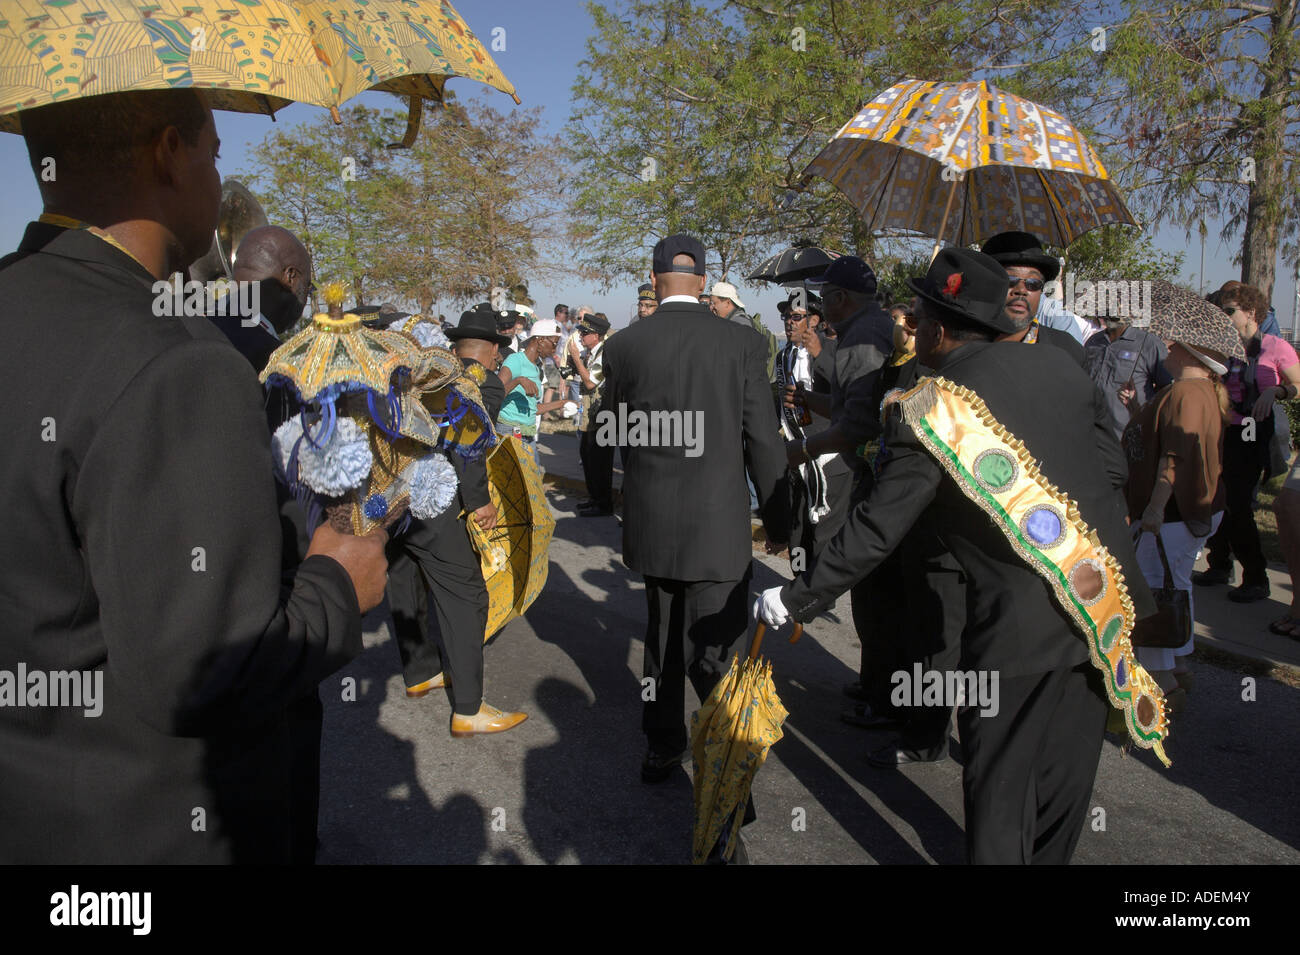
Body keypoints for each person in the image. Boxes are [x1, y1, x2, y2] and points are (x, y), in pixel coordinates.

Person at [0, 89, 388, 864]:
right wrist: (337, 584)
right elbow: (208, 667)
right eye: (214, 151)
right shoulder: (178, 362)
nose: (219, 177)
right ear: (169, 153)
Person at [755, 248, 1154, 863]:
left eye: (915, 316)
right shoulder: (1062, 367)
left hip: (1017, 624)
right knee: (1064, 783)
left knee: (1000, 788)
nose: (909, 326)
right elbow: (1112, 466)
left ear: (938, 329)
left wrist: (795, 595)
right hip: (1103, 604)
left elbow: (875, 530)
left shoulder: (931, 406)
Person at [601, 234, 787, 861]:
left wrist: (612, 494)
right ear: (704, 280)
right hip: (718, 524)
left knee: (660, 639)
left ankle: (661, 743)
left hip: (654, 521)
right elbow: (763, 439)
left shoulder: (625, 345)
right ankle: (727, 763)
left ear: (654, 279)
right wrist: (782, 517)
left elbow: (607, 431)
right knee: (718, 648)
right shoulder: (742, 342)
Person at [387, 308, 527, 736]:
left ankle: (420, 673)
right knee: (466, 595)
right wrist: (480, 501)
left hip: (396, 498)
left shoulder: (417, 375)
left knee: (404, 576)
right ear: (493, 351)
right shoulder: (479, 382)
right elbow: (469, 445)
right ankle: (468, 708)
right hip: (438, 500)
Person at [1124, 334, 1230, 709]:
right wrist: (1140, 406)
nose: (1167, 348)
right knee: (1175, 586)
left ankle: (1163, 682)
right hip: (1185, 512)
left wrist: (1154, 507)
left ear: (1193, 353)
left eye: (1176, 344)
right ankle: (1179, 665)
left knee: (1153, 590)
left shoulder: (1187, 391)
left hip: (1172, 513)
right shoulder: (1192, 390)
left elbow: (1176, 454)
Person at [1195, 282, 1300, 601]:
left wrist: (1276, 391)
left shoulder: (1275, 347)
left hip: (1252, 430)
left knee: (1239, 502)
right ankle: (1220, 563)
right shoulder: (1223, 346)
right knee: (1215, 497)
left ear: (1251, 312)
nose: (1224, 317)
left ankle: (1255, 577)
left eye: (1229, 311)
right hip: (1222, 428)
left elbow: (1297, 384)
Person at [981, 231, 1085, 359]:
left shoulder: (1067, 350)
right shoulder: (960, 347)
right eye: (1010, 280)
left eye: (1033, 283)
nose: (1021, 290)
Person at [1085, 316, 1169, 437]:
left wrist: (1142, 408)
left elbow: (1166, 387)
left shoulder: (1148, 343)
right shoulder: (1094, 341)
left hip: (1125, 436)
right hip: (1090, 430)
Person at [497, 317, 568, 457]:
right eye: (554, 344)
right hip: (509, 431)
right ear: (540, 340)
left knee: (533, 478)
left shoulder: (536, 369)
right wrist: (518, 381)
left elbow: (533, 409)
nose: (554, 350)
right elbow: (496, 394)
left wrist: (563, 403)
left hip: (528, 433)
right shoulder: (515, 360)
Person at [574, 312, 615, 516]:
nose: (581, 336)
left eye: (584, 333)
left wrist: (575, 358)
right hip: (590, 413)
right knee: (587, 455)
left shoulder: (603, 353)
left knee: (599, 460)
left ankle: (603, 503)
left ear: (596, 335)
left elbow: (591, 382)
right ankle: (594, 497)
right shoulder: (591, 353)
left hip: (602, 414)